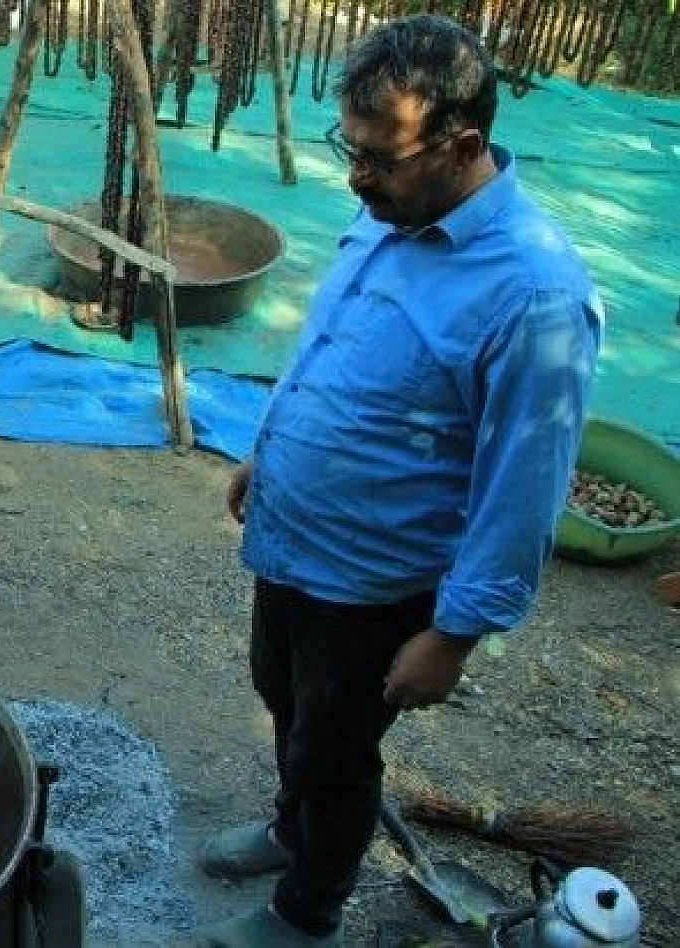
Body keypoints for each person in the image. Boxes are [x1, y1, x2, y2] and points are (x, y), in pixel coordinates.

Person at [197, 14, 601, 947]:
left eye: (378, 156)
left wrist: (455, 636)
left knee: (337, 755)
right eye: (352, 146)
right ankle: (290, 830)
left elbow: (523, 487)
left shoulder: (534, 294)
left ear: (461, 147)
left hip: (374, 585)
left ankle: (307, 912)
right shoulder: (394, 208)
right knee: (284, 701)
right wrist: (274, 451)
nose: (355, 174)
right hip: (296, 543)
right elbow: (341, 352)